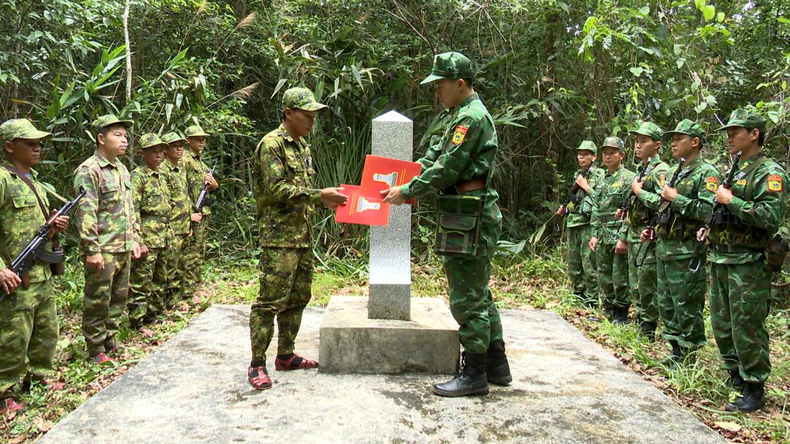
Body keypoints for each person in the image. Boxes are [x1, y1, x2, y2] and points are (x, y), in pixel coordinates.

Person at [382, 51, 510, 397]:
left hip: (470, 214)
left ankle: (475, 374)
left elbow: (447, 169)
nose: (437, 90)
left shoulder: (471, 118)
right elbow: (433, 159)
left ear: (460, 84)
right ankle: (496, 364)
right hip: (462, 211)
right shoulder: (458, 116)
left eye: (441, 84)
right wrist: (404, 178)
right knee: (477, 290)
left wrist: (408, 190)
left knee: (466, 296)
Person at [249, 87, 347, 390]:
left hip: (302, 235)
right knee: (269, 302)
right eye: (307, 116)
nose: (312, 122)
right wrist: (320, 195)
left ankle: (286, 355)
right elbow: (278, 190)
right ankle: (257, 364)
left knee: (298, 298)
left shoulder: (302, 145)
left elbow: (303, 190)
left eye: (314, 116)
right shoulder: (272, 144)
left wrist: (327, 200)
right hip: (279, 238)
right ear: (289, 113)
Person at [701, 109, 787, 412]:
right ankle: (736, 376)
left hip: (748, 263)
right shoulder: (737, 170)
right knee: (722, 324)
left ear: (754, 134)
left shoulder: (769, 173)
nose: (729, 138)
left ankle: (754, 387)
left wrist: (731, 200)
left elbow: (770, 216)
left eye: (735, 133)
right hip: (722, 258)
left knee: (746, 326)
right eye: (727, 133)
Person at [0, 119, 69, 414]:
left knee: (46, 330)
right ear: (9, 146)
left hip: (39, 272)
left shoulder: (35, 182)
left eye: (39, 143)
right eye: (29, 143)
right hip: (14, 276)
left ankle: (39, 377)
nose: (37, 148)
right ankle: (4, 392)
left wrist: (53, 228)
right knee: (12, 337)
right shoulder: (3, 180)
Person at [641, 119, 718, 365]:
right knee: (667, 303)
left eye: (678, 139)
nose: (673, 143)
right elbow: (663, 206)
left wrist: (677, 199)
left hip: (687, 251)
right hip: (665, 247)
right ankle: (675, 350)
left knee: (687, 305)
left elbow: (709, 211)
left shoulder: (706, 173)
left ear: (694, 142)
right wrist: (653, 229)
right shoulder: (675, 171)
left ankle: (688, 355)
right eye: (672, 139)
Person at [74, 114, 142, 364]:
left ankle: (110, 341)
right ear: (101, 138)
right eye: (118, 135)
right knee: (98, 300)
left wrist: (135, 238)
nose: (124, 140)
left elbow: (129, 208)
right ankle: (95, 349)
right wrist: (92, 250)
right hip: (103, 249)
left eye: (125, 136)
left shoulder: (122, 169)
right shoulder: (89, 171)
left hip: (122, 245)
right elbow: (86, 212)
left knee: (118, 299)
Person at [623, 122, 669, 340]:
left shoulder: (661, 170)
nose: (638, 146)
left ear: (657, 145)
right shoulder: (643, 169)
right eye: (636, 141)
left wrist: (640, 193)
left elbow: (664, 201)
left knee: (647, 283)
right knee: (636, 283)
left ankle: (648, 328)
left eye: (643, 141)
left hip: (648, 234)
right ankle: (642, 322)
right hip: (635, 233)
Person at [128, 134, 172, 327]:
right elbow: (133, 208)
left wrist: (169, 232)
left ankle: (154, 315)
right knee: (142, 281)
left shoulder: (162, 175)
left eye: (161, 151)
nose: (158, 155)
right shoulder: (138, 176)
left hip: (163, 234)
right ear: (142, 154)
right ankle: (137, 321)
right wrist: (138, 240)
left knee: (160, 278)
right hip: (148, 234)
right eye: (153, 151)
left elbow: (167, 206)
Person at [589, 137, 634, 324]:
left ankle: (621, 314)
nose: (608, 157)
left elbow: (630, 209)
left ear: (621, 155)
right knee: (604, 274)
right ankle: (608, 311)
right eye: (605, 153)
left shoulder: (628, 178)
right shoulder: (602, 178)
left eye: (612, 153)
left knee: (619, 276)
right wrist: (594, 233)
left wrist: (623, 237)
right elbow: (596, 207)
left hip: (617, 233)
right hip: (603, 233)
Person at [558, 140, 605, 307]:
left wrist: (586, 186)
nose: (581, 157)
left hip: (587, 224)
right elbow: (577, 199)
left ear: (594, 157)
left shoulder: (599, 175)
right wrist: (566, 207)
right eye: (579, 154)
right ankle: (578, 294)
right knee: (573, 263)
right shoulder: (578, 174)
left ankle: (592, 300)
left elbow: (601, 199)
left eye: (585, 154)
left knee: (589, 263)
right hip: (573, 222)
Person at [160, 131, 200, 306]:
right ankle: (168, 302)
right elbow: (164, 201)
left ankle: (179, 298)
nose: (179, 149)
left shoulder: (180, 169)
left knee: (182, 264)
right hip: (172, 226)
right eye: (174, 146)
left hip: (184, 224)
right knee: (170, 266)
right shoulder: (163, 170)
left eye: (181, 146)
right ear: (166, 150)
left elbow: (185, 197)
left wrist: (189, 221)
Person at [182, 124, 218, 293]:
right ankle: (188, 291)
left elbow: (207, 187)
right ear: (188, 140)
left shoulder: (200, 162)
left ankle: (196, 287)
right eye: (198, 139)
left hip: (203, 212)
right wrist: (187, 213)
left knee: (199, 252)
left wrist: (214, 185)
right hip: (192, 213)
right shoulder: (184, 160)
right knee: (191, 253)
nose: (202, 142)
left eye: (203, 139)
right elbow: (181, 188)